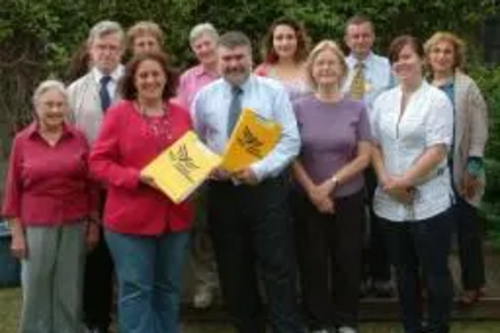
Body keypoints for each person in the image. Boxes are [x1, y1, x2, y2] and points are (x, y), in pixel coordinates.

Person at [192, 31, 304, 333]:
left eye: (239, 57)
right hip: (222, 193)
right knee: (233, 268)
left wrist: (260, 170)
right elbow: (195, 142)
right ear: (218, 60)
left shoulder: (273, 92)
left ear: (251, 57)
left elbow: (291, 140)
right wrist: (209, 166)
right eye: (227, 58)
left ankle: (286, 327)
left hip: (265, 190)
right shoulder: (204, 97)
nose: (233, 64)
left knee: (277, 265)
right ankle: (247, 327)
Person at [89, 51, 193, 333]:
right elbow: (97, 162)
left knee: (168, 288)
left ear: (166, 77)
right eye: (143, 75)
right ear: (133, 81)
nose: (150, 80)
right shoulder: (119, 113)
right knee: (136, 290)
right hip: (129, 221)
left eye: (155, 74)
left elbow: (190, 158)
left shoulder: (182, 114)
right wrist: (137, 177)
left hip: (175, 218)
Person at [371, 35, 454, 333]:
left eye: (407, 56)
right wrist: (386, 181)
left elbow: (437, 149)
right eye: (396, 58)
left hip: (429, 201)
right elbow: (374, 145)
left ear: (422, 59)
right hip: (390, 203)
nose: (401, 63)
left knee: (435, 274)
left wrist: (403, 182)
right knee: (403, 274)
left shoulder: (437, 100)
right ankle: (410, 327)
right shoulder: (383, 100)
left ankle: (437, 326)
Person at [3, 80, 98, 333]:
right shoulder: (23, 140)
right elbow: (12, 190)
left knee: (69, 286)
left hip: (74, 223)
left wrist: (93, 224)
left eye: (60, 104)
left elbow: (90, 185)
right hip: (36, 224)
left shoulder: (78, 138)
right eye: (49, 104)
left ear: (67, 107)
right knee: (36, 286)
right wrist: (16, 234)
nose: (55, 110)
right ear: (36, 107)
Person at [292, 40, 371, 333]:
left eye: (331, 63)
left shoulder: (357, 107)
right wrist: (313, 190)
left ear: (341, 69)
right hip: (307, 197)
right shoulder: (298, 107)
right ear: (312, 69)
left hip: (348, 197)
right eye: (319, 63)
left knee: (348, 260)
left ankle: (346, 320)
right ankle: (319, 322)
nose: (325, 68)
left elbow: (364, 156)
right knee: (312, 261)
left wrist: (331, 184)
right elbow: (291, 154)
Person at [67, 20, 125, 333]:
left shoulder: (136, 82)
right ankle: (97, 322)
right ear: (90, 50)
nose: (107, 53)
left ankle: (132, 320)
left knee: (131, 256)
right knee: (96, 258)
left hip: (131, 185)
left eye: (113, 47)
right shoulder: (74, 92)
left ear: (122, 50)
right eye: (101, 47)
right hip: (91, 188)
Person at [425, 31, 489, 306]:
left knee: (467, 231)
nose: (441, 56)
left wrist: (473, 165)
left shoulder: (467, 87)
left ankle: (473, 285)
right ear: (428, 56)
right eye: (436, 51)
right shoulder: (422, 86)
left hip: (461, 171)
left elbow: (479, 128)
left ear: (456, 56)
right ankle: (435, 286)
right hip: (429, 174)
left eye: (447, 51)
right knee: (431, 232)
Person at [343, 14, 393, 297]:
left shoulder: (387, 67)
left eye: (365, 35)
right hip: (347, 153)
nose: (360, 40)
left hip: (379, 151)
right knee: (352, 217)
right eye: (355, 36)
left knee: (381, 212)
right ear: (347, 40)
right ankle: (357, 275)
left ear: (372, 37)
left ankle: (382, 274)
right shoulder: (337, 67)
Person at [177, 22, 221, 309]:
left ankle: (237, 283)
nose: (204, 49)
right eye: (198, 46)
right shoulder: (188, 79)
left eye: (208, 43)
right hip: (198, 163)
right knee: (199, 226)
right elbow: (181, 119)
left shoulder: (235, 69)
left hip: (235, 163)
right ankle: (207, 283)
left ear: (217, 43)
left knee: (231, 227)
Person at [255, 17, 311, 100]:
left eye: (290, 37)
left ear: (298, 40)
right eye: (279, 38)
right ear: (272, 42)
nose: (285, 43)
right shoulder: (261, 73)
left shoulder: (311, 70)